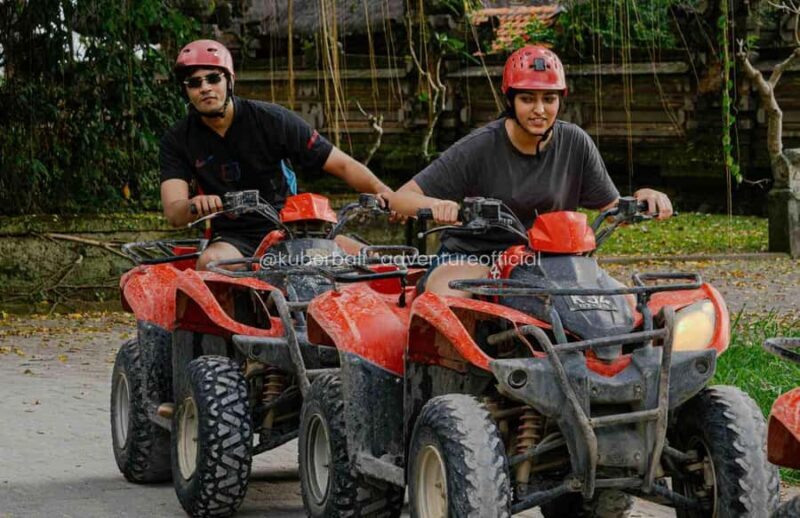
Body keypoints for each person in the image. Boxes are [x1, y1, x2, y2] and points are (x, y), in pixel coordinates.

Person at [382, 45, 673, 297]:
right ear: (510, 100)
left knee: (622, 303)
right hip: (477, 256)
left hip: (552, 259)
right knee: (446, 297)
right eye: (527, 98)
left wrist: (643, 197)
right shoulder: (479, 146)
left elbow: (612, 209)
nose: (539, 110)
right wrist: (438, 206)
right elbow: (400, 198)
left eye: (549, 99)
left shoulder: (575, 142)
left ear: (560, 100)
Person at [160, 39, 392, 269]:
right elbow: (174, 213)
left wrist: (385, 192)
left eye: (213, 78)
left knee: (375, 262)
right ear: (186, 90)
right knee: (212, 263)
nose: (205, 88)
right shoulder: (178, 139)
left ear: (230, 80)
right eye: (194, 82)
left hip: (291, 229)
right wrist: (194, 205)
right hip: (235, 238)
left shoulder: (272, 120)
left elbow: (342, 164)